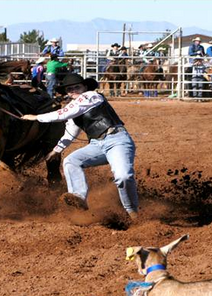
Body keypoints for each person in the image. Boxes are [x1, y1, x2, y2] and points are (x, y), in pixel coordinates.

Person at [21, 73, 139, 219]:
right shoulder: (74, 109)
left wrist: (36, 117)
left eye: (77, 87)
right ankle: (78, 198)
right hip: (97, 144)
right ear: (67, 93)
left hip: (117, 140)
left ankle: (132, 212)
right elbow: (70, 133)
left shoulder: (91, 96)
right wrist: (57, 150)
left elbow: (61, 114)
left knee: (123, 176)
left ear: (85, 87)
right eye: (70, 89)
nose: (73, 91)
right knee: (71, 161)